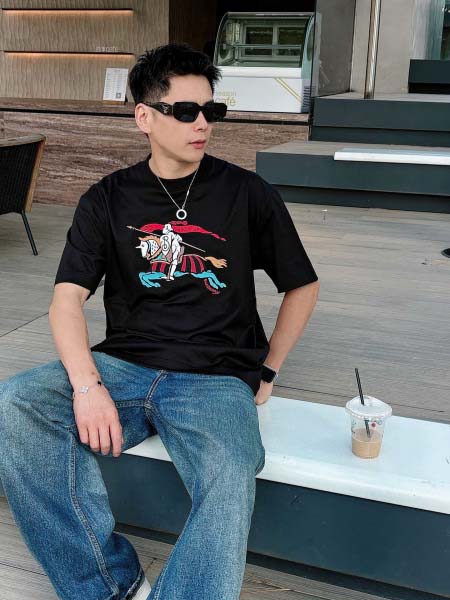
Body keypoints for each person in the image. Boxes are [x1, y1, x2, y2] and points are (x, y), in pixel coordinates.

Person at [0, 42, 320, 600]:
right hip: (123, 366)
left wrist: (267, 371)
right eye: (186, 111)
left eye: (212, 110)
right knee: (18, 403)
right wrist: (87, 387)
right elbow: (66, 300)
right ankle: (108, 586)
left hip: (216, 376)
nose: (203, 124)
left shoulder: (246, 193)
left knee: (230, 471)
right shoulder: (107, 198)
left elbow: (302, 284)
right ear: (144, 117)